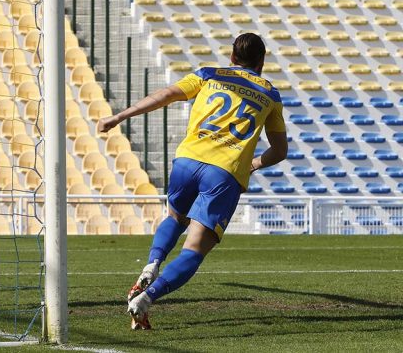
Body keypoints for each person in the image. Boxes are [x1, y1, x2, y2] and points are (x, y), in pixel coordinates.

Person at [97, 33, 289, 330]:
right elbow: (279, 151)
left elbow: (165, 95)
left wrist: (120, 116)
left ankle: (151, 264)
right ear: (261, 62)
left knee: (175, 217)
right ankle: (146, 298)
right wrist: (251, 165)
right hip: (223, 171)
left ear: (232, 58)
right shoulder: (270, 95)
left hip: (187, 161)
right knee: (195, 249)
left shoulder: (208, 74)